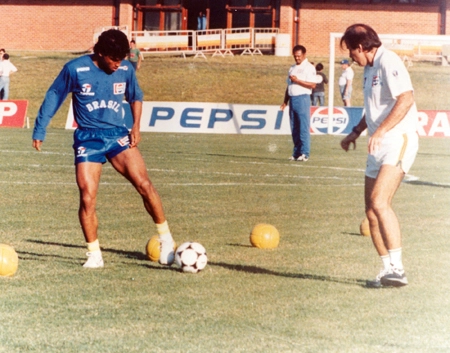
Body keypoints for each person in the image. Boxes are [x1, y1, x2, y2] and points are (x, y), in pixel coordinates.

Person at [32, 29, 176, 268]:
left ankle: (167, 240)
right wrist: (40, 128)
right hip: (88, 139)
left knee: (145, 184)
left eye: (122, 59)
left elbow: (136, 97)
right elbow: (54, 95)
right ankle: (94, 255)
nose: (118, 64)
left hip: (117, 135)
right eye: (113, 60)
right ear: (100, 53)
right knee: (87, 197)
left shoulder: (126, 69)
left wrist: (136, 127)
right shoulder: (75, 69)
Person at [340, 24, 419, 288]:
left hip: (398, 138)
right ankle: (388, 271)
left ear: (361, 47)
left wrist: (381, 131)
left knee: (379, 201)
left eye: (352, 51)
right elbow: (374, 109)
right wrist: (356, 132)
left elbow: (406, 99)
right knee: (371, 212)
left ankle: (399, 269)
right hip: (378, 143)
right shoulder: (368, 69)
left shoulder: (389, 61)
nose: (351, 57)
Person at [280, 45, 316, 162]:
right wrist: (285, 101)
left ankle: (305, 153)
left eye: (299, 56)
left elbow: (312, 85)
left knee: (303, 127)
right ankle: (296, 152)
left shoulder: (309, 67)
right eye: (295, 56)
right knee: (294, 127)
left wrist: (298, 81)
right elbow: (289, 86)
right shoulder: (292, 68)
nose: (297, 58)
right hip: (292, 99)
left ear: (304, 55)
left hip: (302, 98)